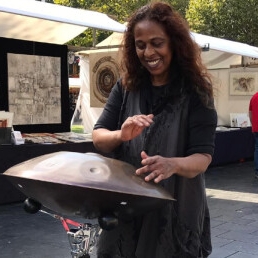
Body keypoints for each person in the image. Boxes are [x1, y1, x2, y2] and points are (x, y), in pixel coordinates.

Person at [92, 2, 217, 258]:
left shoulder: (195, 92)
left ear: (174, 42)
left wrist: (173, 164)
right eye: (140, 44)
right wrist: (120, 135)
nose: (148, 52)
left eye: (157, 42)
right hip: (126, 207)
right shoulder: (126, 87)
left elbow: (202, 158)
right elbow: (99, 137)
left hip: (174, 208)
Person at [249, 92, 258, 178]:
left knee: (257, 149)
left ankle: (257, 172)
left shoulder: (254, 97)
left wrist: (253, 125)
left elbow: (250, 113)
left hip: (256, 128)